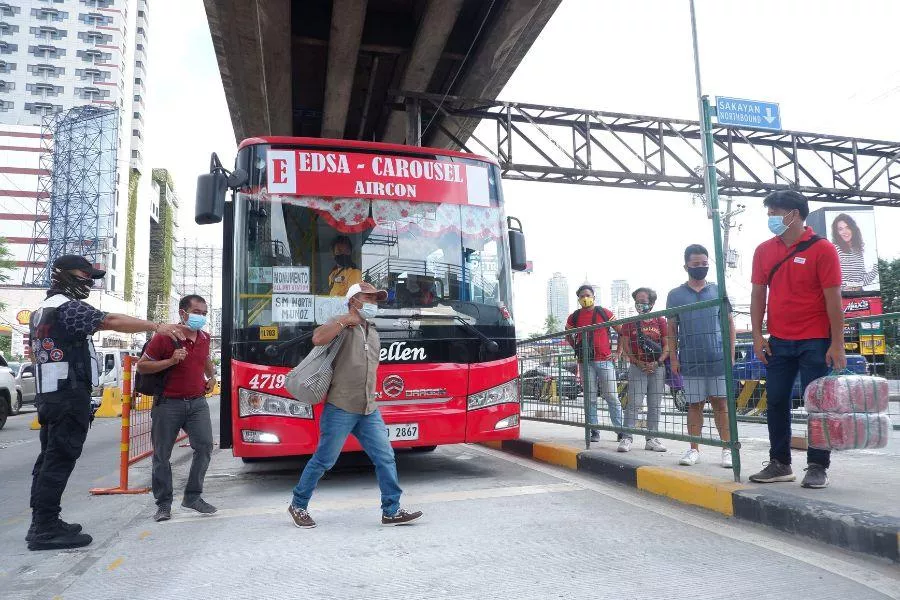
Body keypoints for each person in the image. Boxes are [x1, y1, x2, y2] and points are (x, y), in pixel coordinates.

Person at [27, 255, 185, 551]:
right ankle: (44, 529)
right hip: (67, 397)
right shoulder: (68, 307)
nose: (88, 281)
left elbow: (36, 356)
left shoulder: (40, 311)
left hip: (49, 395)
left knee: (48, 460)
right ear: (63, 275)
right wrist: (157, 326)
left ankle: (45, 519)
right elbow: (109, 320)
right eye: (84, 274)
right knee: (58, 461)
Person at [288, 282, 423, 528]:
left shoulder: (372, 330)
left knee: (385, 458)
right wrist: (343, 320)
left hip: (369, 408)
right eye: (367, 298)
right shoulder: (340, 324)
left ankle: (391, 510)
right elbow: (318, 338)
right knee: (324, 460)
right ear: (353, 301)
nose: (373, 303)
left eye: (376, 299)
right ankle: (298, 504)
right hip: (341, 406)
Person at [749, 191, 846, 489]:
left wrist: (837, 342)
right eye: (769, 212)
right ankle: (780, 463)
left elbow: (834, 299)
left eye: (775, 211)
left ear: (795, 213)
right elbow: (757, 295)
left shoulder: (823, 249)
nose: (770, 218)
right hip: (779, 339)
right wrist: (756, 335)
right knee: (776, 400)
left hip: (816, 339)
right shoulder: (764, 250)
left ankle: (818, 465)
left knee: (817, 404)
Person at [137, 294, 218, 522]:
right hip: (168, 404)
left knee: (204, 447)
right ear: (183, 313)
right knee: (162, 455)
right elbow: (142, 366)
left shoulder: (204, 337)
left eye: (204, 313)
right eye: (197, 312)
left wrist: (211, 376)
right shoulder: (165, 338)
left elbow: (205, 359)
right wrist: (171, 361)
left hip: (197, 402)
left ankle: (192, 496)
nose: (200, 317)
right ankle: (163, 504)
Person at [666, 244, 735, 468]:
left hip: (717, 358)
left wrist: (730, 354)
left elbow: (730, 323)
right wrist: (674, 358)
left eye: (705, 264)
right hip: (690, 359)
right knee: (694, 405)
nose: (701, 268)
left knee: (720, 404)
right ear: (686, 265)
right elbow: (671, 329)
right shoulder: (675, 295)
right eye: (696, 264)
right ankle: (693, 448)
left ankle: (727, 449)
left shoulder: (718, 290)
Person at [565, 285, 621, 442]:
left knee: (612, 396)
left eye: (587, 295)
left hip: (604, 360)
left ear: (593, 296)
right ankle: (593, 430)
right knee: (590, 398)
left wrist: (618, 353)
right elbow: (567, 334)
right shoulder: (574, 317)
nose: (585, 298)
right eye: (582, 296)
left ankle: (621, 430)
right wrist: (577, 347)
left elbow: (621, 331)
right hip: (585, 362)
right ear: (578, 299)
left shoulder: (604, 313)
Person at [618, 288, 668, 453]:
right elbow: (625, 346)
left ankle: (652, 438)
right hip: (637, 367)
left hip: (657, 367)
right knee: (634, 403)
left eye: (643, 302)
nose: (640, 305)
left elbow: (667, 344)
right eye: (637, 301)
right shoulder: (629, 322)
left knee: (655, 405)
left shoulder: (660, 321)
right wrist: (636, 361)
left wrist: (658, 362)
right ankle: (627, 437)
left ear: (651, 304)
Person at [830, 213, 877, 293]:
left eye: (847, 227)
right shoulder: (834, 249)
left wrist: (876, 268)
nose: (845, 232)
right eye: (840, 229)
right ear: (837, 232)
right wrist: (844, 289)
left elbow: (862, 280)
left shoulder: (858, 251)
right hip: (842, 296)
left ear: (853, 229)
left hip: (860, 295)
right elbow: (830, 277)